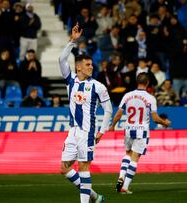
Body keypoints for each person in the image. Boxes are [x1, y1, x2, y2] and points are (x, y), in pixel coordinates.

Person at [59, 24, 112, 203]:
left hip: (87, 133)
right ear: (79, 67)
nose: (91, 67)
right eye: (87, 65)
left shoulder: (98, 86)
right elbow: (61, 59)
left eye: (91, 64)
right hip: (72, 132)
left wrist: (102, 131)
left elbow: (108, 109)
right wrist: (72, 41)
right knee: (64, 169)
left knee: (83, 167)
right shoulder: (71, 80)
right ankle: (96, 197)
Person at [109, 72, 171, 194]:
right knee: (135, 158)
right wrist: (165, 123)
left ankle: (121, 175)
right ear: (147, 83)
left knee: (128, 153)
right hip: (141, 131)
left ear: (137, 82)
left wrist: (112, 126)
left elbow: (118, 114)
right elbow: (155, 119)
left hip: (128, 129)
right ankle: (125, 187)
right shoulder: (150, 98)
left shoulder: (127, 95)